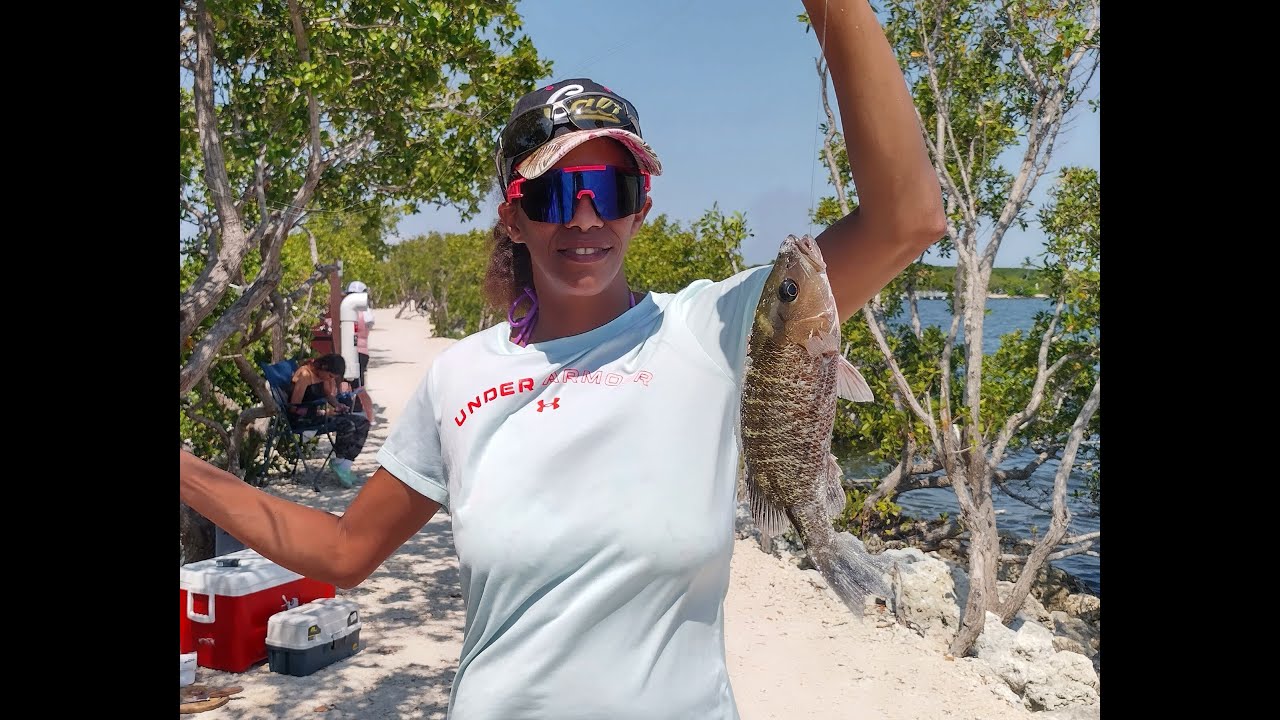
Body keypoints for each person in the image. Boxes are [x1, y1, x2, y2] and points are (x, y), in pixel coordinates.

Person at [180, 3, 944, 716]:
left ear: (641, 205)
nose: (584, 215)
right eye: (551, 192)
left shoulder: (715, 330)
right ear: (513, 216)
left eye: (609, 187)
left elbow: (906, 218)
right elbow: (343, 552)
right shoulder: (459, 378)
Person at [289, 353, 370, 488]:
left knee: (363, 423)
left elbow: (327, 395)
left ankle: (345, 465)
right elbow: (294, 407)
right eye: (330, 376)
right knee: (347, 425)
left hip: (317, 415)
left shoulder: (323, 375)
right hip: (303, 419)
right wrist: (324, 412)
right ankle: (339, 462)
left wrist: (338, 405)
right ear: (324, 367)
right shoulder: (305, 375)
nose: (330, 379)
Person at [345, 280, 376, 386]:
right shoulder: (367, 313)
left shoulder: (346, 310)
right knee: (358, 381)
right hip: (361, 351)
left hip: (355, 352)